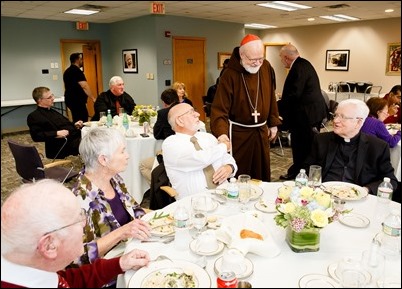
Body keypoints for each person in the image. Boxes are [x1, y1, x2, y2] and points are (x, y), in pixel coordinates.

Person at [1, 179, 150, 288]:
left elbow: (66, 280)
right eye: (78, 219)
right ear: (49, 246)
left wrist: (119, 263)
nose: (85, 222)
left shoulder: (31, 268)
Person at [71, 127, 151, 268]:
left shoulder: (114, 179)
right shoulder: (80, 199)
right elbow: (77, 257)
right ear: (103, 159)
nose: (127, 156)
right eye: (122, 151)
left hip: (131, 250)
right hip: (106, 269)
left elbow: (135, 209)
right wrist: (122, 232)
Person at [210, 34, 281, 181]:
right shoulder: (229, 75)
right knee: (240, 173)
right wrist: (222, 134)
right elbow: (219, 109)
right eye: (253, 59)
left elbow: (270, 95)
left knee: (261, 171)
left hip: (261, 131)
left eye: (260, 58)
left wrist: (273, 123)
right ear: (242, 55)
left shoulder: (266, 67)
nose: (257, 63)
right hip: (239, 134)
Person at [304, 99, 398, 195]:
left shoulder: (377, 147)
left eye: (343, 117)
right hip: (323, 195)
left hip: (358, 200)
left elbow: (390, 181)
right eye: (336, 115)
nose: (336, 120)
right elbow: (307, 169)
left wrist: (366, 189)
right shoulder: (321, 140)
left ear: (358, 122)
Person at [163, 103, 237, 199]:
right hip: (194, 202)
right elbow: (200, 159)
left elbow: (228, 159)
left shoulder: (208, 137)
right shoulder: (170, 144)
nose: (197, 114)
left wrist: (229, 167)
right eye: (191, 112)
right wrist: (224, 146)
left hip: (225, 194)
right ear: (179, 120)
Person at [278, 44, 328, 180]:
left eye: (281, 58)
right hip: (310, 114)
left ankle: (301, 173)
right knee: (304, 146)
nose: (281, 62)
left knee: (302, 146)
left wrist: (278, 107)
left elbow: (294, 94)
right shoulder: (304, 64)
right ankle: (298, 171)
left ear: (286, 57)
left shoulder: (298, 67)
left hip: (306, 116)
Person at [27, 86, 82, 159]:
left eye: (52, 95)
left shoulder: (52, 111)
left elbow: (64, 124)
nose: (53, 98)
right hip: (62, 144)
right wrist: (56, 133)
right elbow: (36, 136)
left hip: (74, 137)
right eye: (49, 97)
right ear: (40, 100)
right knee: (93, 144)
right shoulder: (34, 116)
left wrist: (74, 125)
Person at [139, 88, 179, 185]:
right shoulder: (187, 108)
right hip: (187, 152)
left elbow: (157, 134)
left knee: (142, 165)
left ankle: (160, 187)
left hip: (172, 154)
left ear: (164, 103)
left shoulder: (164, 113)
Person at [63, 52, 95, 123]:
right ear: (77, 60)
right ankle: (80, 133)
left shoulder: (67, 71)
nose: (82, 61)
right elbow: (84, 86)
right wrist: (93, 98)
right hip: (77, 101)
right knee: (82, 119)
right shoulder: (77, 71)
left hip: (69, 99)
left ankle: (77, 131)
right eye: (81, 59)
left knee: (76, 118)